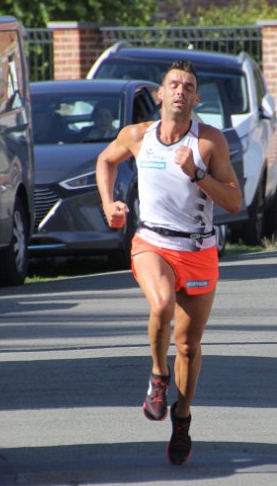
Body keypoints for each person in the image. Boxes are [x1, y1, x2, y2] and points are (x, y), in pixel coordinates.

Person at [96, 60, 242, 465]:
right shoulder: (137, 136)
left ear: (196, 98)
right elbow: (106, 161)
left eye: (188, 87)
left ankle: (182, 416)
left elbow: (233, 200)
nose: (180, 91)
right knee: (161, 304)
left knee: (189, 346)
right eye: (174, 84)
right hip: (152, 242)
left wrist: (197, 174)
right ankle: (158, 377)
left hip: (198, 250)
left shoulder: (208, 142)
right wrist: (109, 204)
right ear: (160, 94)